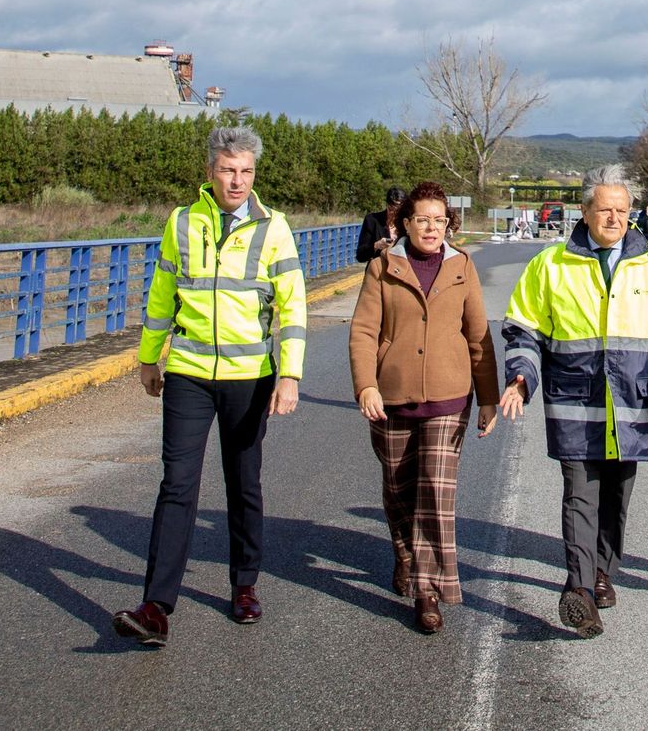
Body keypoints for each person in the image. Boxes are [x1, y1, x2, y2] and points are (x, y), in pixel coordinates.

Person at [113, 124, 307, 647]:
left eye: (246, 171)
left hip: (249, 378)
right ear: (210, 172)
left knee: (243, 484)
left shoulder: (275, 229)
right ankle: (156, 605)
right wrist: (148, 358)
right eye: (228, 170)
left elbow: (291, 309)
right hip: (190, 376)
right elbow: (162, 296)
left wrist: (289, 374)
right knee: (176, 485)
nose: (237, 181)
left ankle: (244, 585)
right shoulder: (181, 223)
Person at [500, 164, 648, 638]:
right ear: (584, 211)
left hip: (633, 405)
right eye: (604, 209)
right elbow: (524, 330)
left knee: (616, 497)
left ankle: (604, 571)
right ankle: (580, 589)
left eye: (622, 210)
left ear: (631, 214)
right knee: (580, 495)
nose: (613, 218)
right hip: (575, 403)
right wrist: (521, 378)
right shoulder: (550, 264)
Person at [349, 181, 500, 634]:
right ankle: (404, 553)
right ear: (405, 223)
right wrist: (365, 386)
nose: (431, 228)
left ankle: (428, 591)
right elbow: (362, 332)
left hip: (449, 396)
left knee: (435, 492)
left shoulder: (462, 266)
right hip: (391, 395)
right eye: (422, 220)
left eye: (439, 220)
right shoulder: (382, 267)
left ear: (448, 223)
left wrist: (488, 397)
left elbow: (479, 336)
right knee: (398, 489)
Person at [357, 186, 407, 262]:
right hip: (379, 270)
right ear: (387, 205)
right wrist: (376, 245)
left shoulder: (408, 223)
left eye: (398, 210)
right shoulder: (372, 220)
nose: (394, 213)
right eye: (391, 209)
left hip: (403, 270)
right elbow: (360, 256)